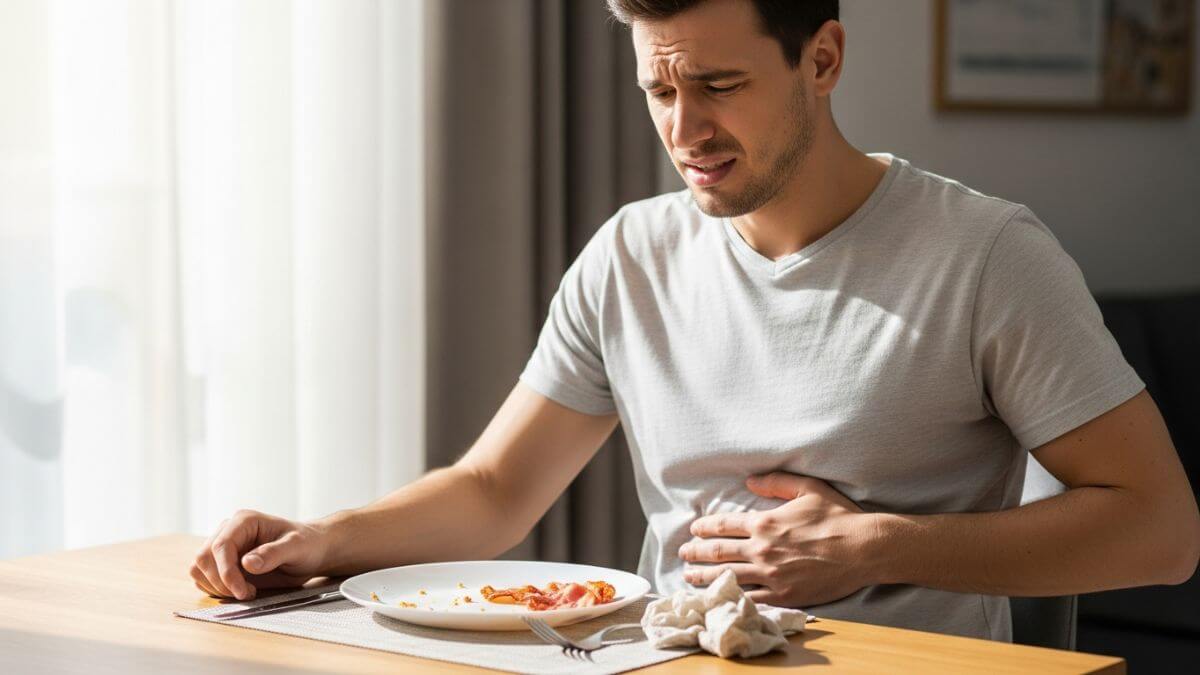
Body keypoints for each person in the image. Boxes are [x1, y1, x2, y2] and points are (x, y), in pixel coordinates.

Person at [189, 0, 1200, 641]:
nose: (684, 129)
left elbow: (1162, 533)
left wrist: (875, 546)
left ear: (824, 57)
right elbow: (495, 490)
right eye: (658, 89)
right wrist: (322, 542)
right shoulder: (632, 255)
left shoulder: (986, 256)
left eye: (719, 84)